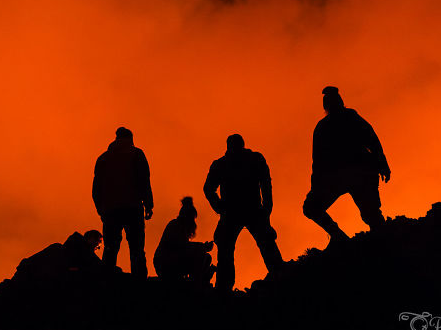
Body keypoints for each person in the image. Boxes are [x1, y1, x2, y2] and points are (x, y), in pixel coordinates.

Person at [303, 86, 391, 248]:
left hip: (352, 175)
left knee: (313, 208)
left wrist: (382, 164)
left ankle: (378, 243)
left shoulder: (327, 126)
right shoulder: (347, 119)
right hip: (354, 174)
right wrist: (382, 164)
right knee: (371, 213)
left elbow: (318, 162)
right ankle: (351, 238)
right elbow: (372, 140)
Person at [203, 134, 284, 291]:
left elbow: (208, 188)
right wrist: (266, 211)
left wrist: (219, 207)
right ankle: (279, 276)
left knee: (232, 250)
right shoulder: (252, 160)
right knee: (262, 245)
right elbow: (266, 185)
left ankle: (224, 290)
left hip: (240, 212)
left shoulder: (224, 164)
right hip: (245, 211)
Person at [92, 127, 154, 277]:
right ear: (131, 139)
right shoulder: (137, 154)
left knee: (110, 249)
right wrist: (149, 205)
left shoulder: (103, 158)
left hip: (110, 210)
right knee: (137, 249)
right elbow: (144, 181)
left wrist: (101, 209)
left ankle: (106, 283)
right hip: (133, 208)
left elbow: (96, 189)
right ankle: (139, 285)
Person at [154, 197, 216, 284]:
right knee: (201, 255)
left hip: (171, 262)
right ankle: (194, 285)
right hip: (165, 265)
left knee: (207, 257)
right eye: (193, 219)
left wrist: (202, 247)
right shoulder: (175, 225)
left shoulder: (181, 228)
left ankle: (198, 282)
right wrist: (202, 247)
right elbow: (182, 247)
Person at [12, 230, 103, 283]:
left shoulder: (57, 248)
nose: (97, 248)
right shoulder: (87, 259)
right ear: (91, 239)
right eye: (98, 244)